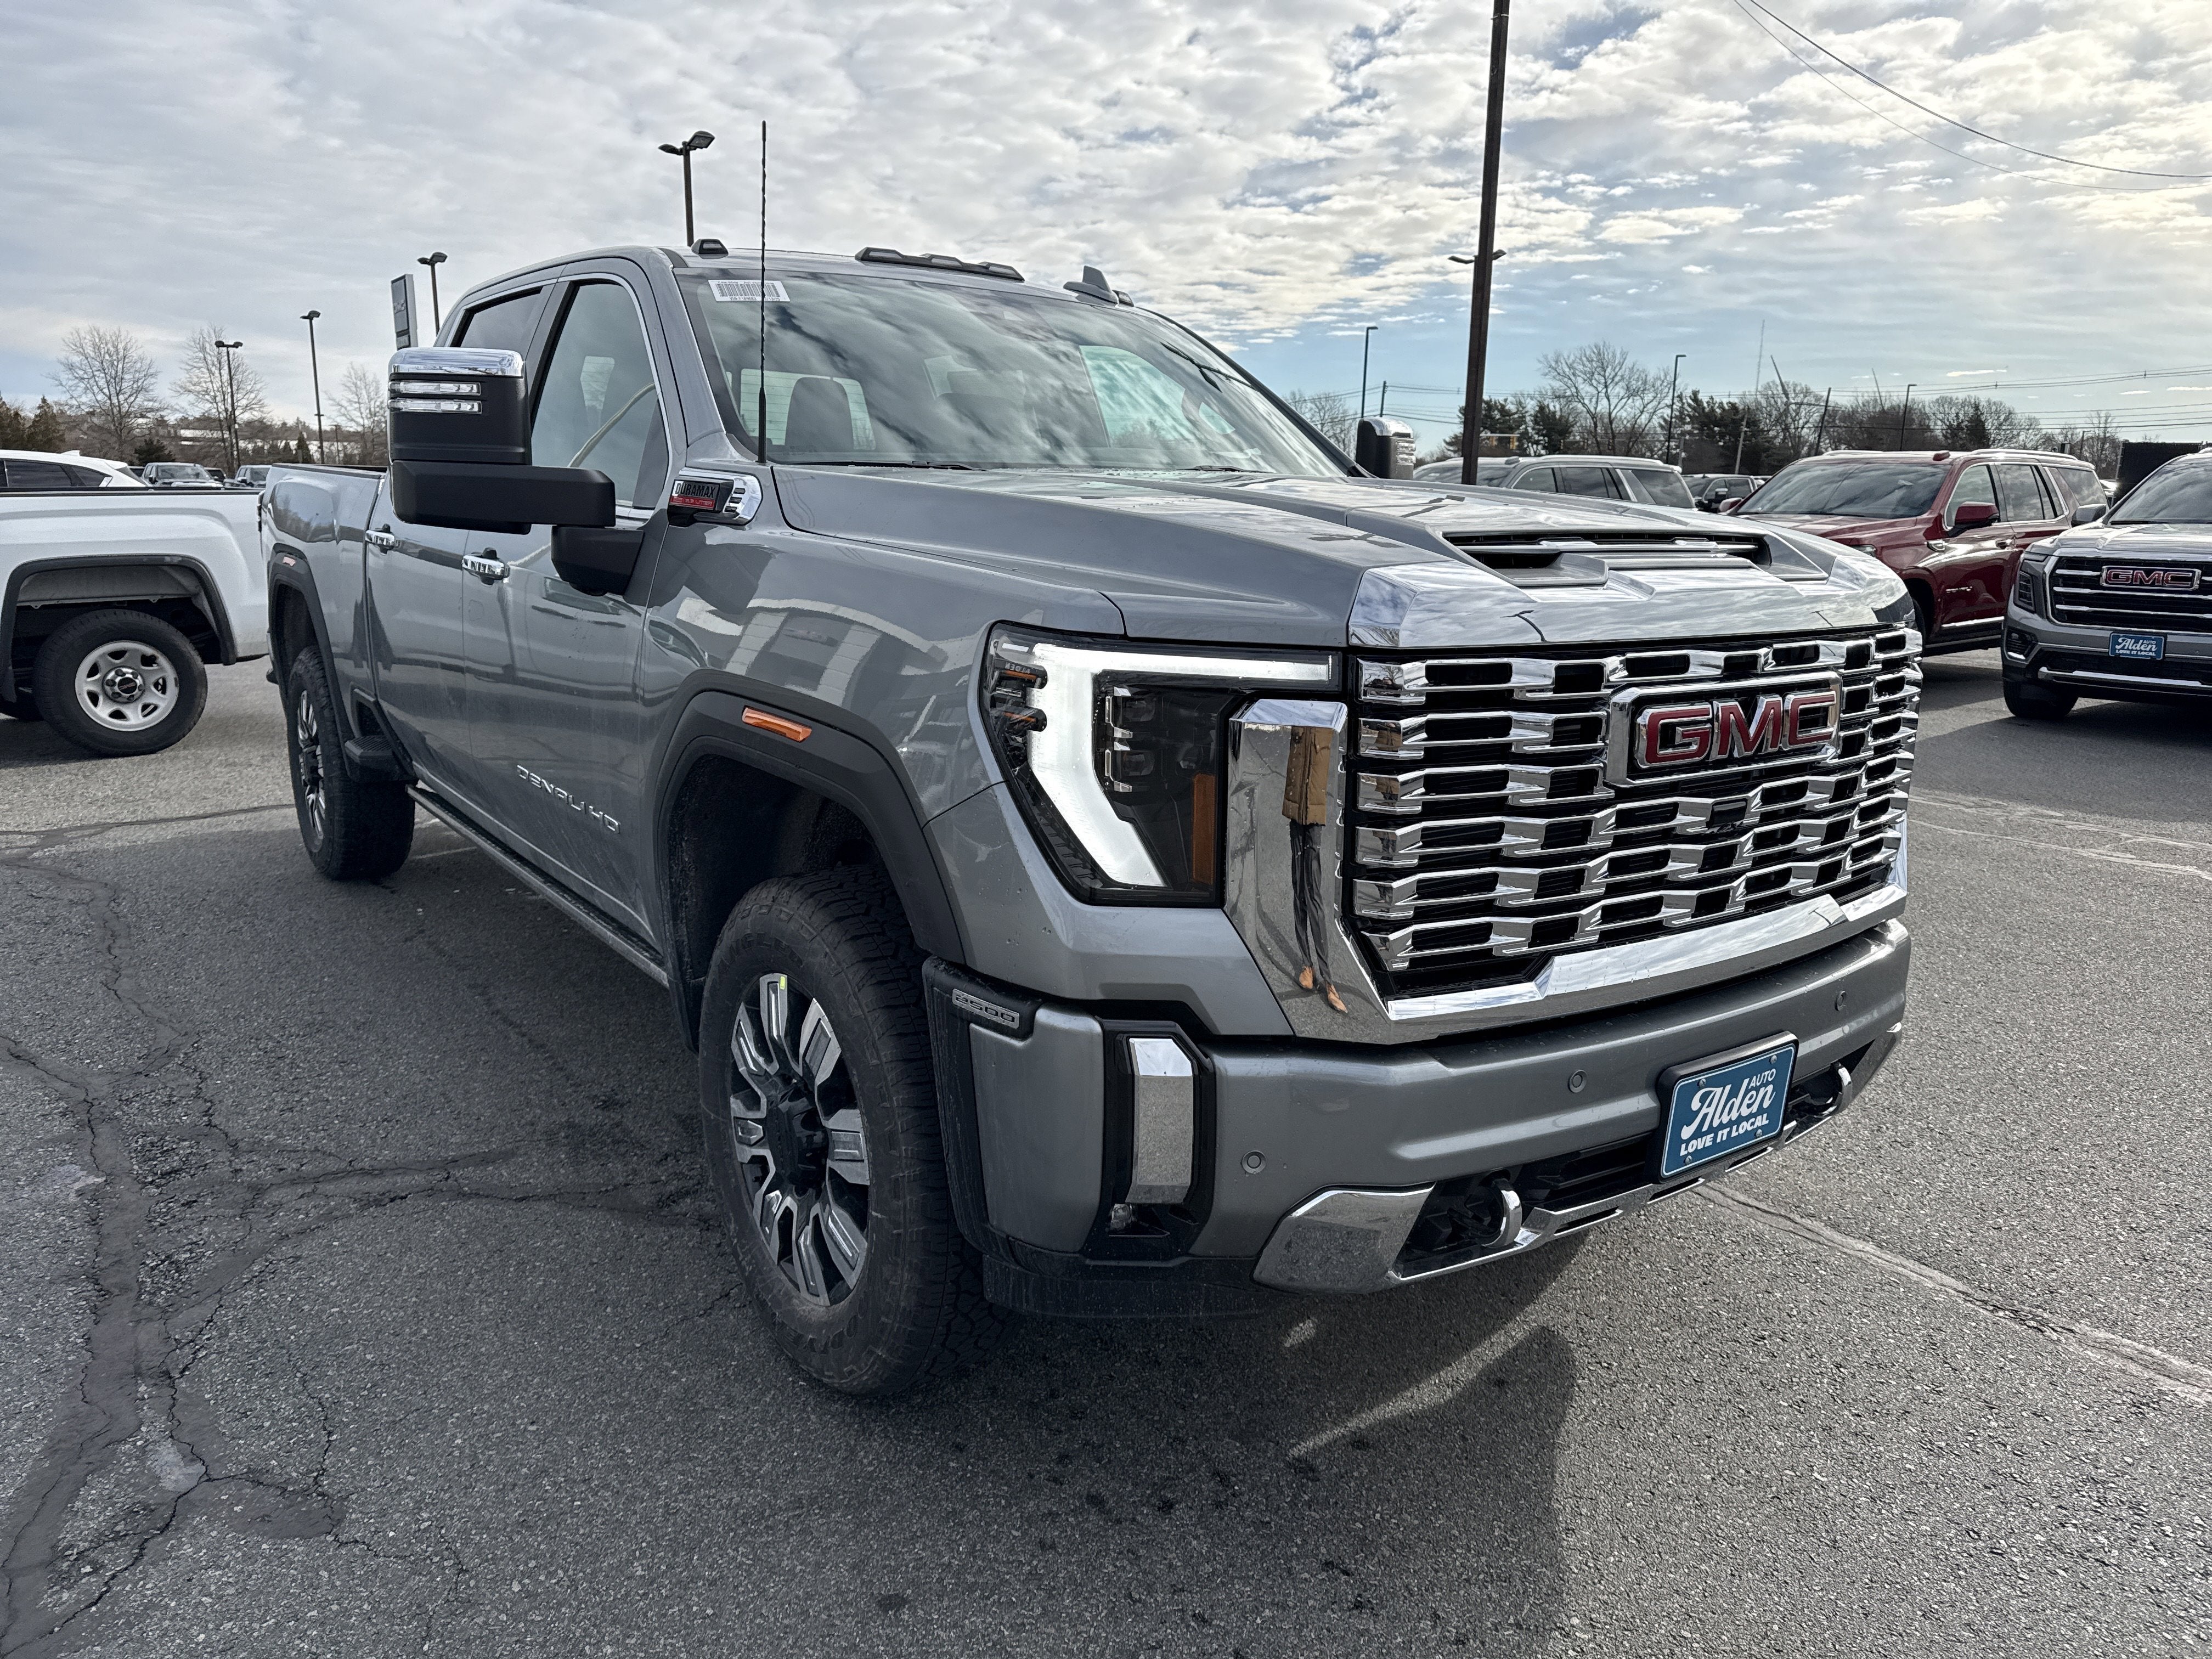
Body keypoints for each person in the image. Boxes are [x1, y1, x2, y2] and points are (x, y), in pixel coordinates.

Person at [1282, 724, 1347, 1013]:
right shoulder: (1299, 720)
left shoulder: (1330, 721)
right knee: (1299, 891)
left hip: (1317, 813)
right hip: (1296, 809)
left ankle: (1329, 980)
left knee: (1315, 896)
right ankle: (1307, 964)